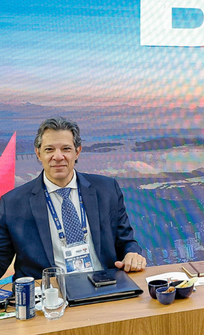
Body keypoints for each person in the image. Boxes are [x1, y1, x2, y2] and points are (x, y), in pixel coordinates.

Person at [0, 117, 146, 280]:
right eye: (49, 149)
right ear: (38, 153)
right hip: (48, 291)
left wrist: (132, 254)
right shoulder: (12, 203)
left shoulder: (107, 189)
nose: (58, 156)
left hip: (104, 285)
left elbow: (126, 242)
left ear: (77, 152)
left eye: (66, 149)